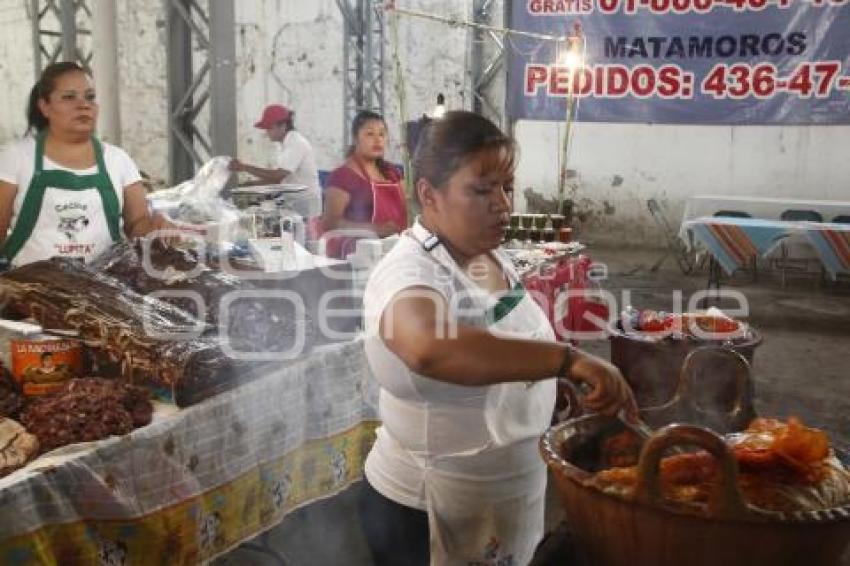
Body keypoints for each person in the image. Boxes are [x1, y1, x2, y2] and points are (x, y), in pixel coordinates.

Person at [359, 111, 637, 565]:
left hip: (506, 496)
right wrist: (567, 361)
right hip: (429, 509)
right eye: (481, 190)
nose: (503, 204)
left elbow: (505, 347)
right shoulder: (408, 270)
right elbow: (431, 348)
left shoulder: (488, 255)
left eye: (507, 187)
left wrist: (555, 389)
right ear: (429, 195)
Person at [0, 62, 172, 268]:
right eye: (69, 97)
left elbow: (137, 225)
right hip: (31, 290)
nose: (84, 105)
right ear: (44, 106)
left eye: (90, 97)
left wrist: (157, 225)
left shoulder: (118, 160)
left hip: (104, 288)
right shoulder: (16, 157)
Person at [320, 110, 406, 258]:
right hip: (357, 255)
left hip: (394, 250)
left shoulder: (392, 173)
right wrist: (374, 229)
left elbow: (407, 210)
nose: (378, 140)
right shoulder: (342, 176)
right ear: (355, 138)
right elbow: (330, 223)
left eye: (382, 134)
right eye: (370, 134)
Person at [228, 104, 322, 219]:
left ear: (283, 126)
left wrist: (244, 168)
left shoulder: (296, 144)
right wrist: (250, 186)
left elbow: (277, 176)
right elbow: (279, 180)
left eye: (270, 128)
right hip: (293, 200)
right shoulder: (285, 145)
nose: (267, 133)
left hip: (304, 203)